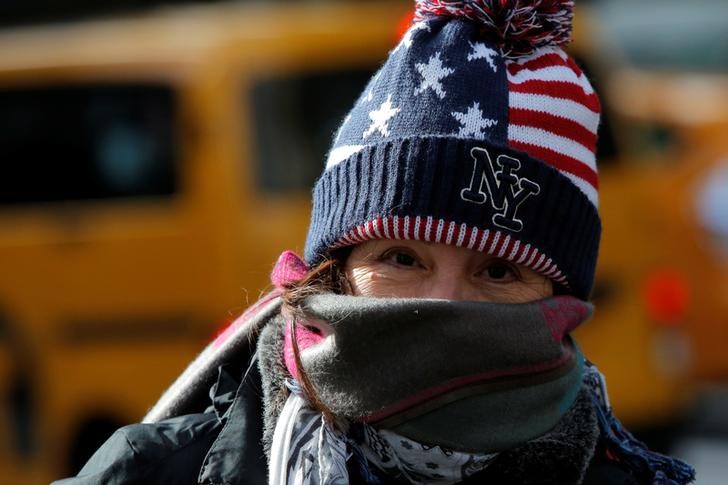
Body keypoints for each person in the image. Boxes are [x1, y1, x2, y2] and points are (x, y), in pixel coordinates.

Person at [55, 1, 696, 484]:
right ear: (334, 270)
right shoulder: (154, 474)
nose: (444, 304)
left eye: (498, 272)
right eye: (401, 258)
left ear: (559, 303)